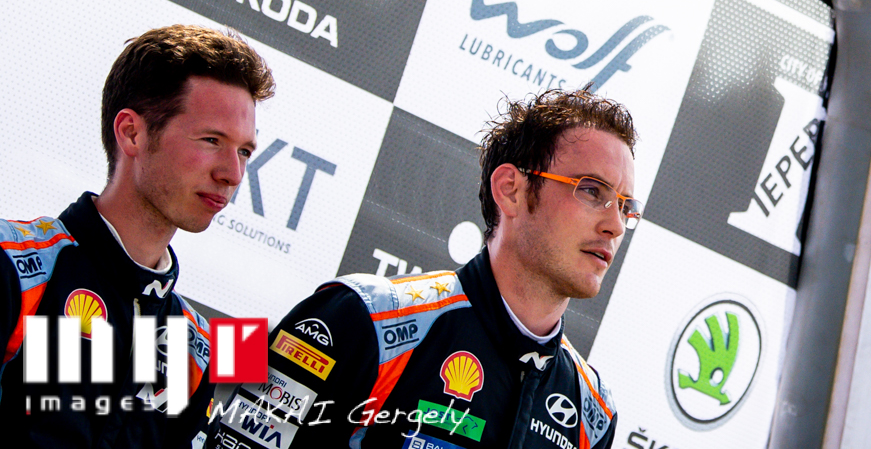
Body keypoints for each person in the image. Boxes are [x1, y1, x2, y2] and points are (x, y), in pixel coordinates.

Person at [191, 88, 632, 448]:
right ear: (511, 190)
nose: (614, 225)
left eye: (626, 207)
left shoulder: (592, 413)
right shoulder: (364, 320)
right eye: (591, 191)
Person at [0, 23, 275, 446]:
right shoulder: (17, 270)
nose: (232, 174)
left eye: (244, 151)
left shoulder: (197, 348)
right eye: (211, 140)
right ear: (131, 132)